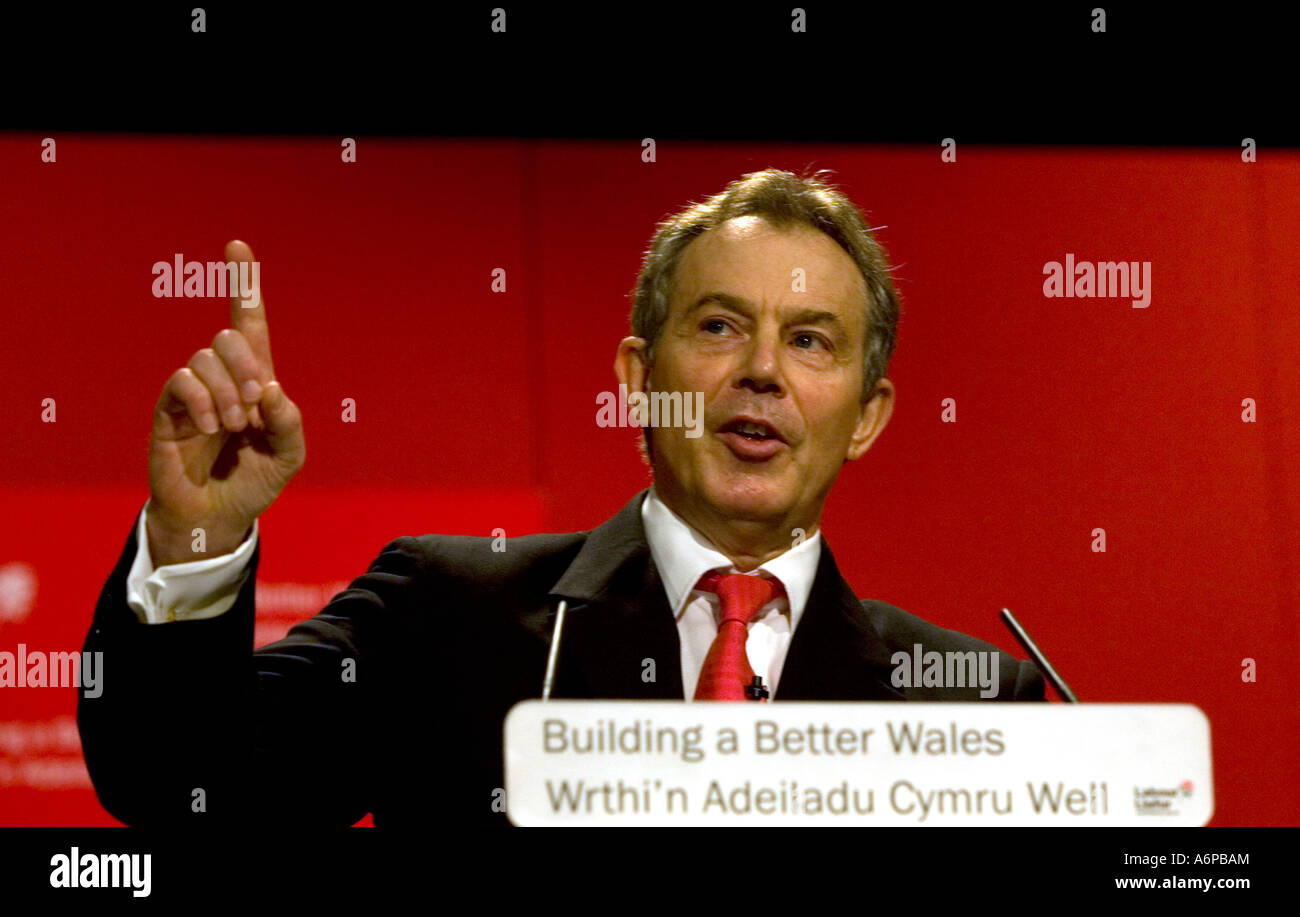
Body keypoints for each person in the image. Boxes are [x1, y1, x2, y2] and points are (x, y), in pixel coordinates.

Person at [78, 168, 1045, 828]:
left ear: (868, 413)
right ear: (636, 376)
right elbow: (180, 781)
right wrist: (195, 532)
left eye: (810, 340)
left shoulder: (979, 702)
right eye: (719, 324)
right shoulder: (447, 611)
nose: (761, 370)